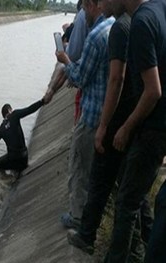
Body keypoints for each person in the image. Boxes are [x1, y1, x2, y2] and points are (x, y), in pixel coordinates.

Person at [66, 0, 152, 258]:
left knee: (102, 182)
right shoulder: (132, 23)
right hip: (129, 121)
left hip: (105, 117)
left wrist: (106, 126)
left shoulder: (114, 30)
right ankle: (139, 247)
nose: (103, 7)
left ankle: (89, 233)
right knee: (132, 194)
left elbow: (115, 79)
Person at [104, 0, 166, 261]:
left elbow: (153, 90)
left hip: (151, 128)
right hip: (160, 128)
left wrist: (125, 128)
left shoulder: (140, 23)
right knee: (140, 196)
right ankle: (141, 250)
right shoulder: (161, 8)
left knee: (126, 202)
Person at [56, 0, 114, 229]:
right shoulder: (113, 27)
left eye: (84, 7)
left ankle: (78, 217)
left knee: (79, 168)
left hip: (91, 115)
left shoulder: (96, 36)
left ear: (92, 5)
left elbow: (79, 77)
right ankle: (91, 216)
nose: (83, 13)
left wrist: (65, 60)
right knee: (94, 171)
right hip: (106, 113)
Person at [0, 99, 43, 172]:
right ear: (10, 110)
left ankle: (5, 179)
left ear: (3, 116)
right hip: (24, 158)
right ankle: (15, 172)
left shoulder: (0, 130)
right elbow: (29, 109)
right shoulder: (15, 114)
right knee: (13, 156)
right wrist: (42, 101)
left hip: (13, 159)